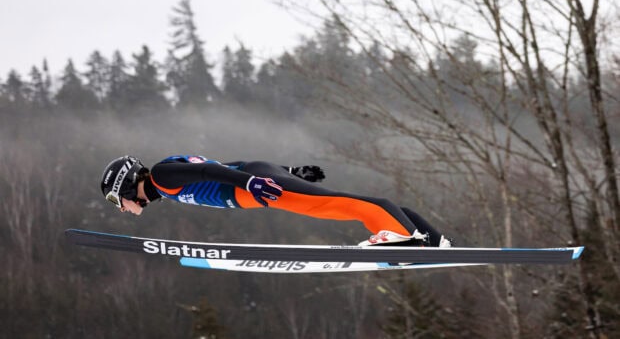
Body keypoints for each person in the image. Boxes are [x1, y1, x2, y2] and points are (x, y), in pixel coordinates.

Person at [100, 155, 452, 247]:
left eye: (118, 201)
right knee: (334, 203)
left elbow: (211, 171)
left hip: (252, 186)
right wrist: (288, 170)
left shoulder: (162, 176)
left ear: (126, 187)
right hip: (254, 180)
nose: (123, 209)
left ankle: (399, 235)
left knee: (336, 205)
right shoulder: (166, 178)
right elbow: (225, 165)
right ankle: (429, 239)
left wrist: (252, 181)